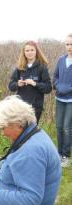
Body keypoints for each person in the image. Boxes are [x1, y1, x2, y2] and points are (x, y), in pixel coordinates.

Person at [8, 41, 52, 123]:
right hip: (21, 106)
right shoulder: (20, 67)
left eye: (32, 50)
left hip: (35, 107)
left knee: (31, 131)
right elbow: (11, 86)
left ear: (36, 51)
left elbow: (48, 88)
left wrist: (35, 84)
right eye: (27, 50)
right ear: (24, 52)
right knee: (21, 131)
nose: (30, 52)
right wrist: (18, 84)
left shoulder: (42, 67)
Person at [53, 33, 72, 168]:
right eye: (67, 44)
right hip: (59, 98)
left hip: (70, 100)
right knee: (59, 126)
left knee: (67, 127)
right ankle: (59, 153)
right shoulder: (61, 60)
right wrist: (58, 86)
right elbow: (55, 77)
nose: (69, 47)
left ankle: (66, 155)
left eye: (71, 44)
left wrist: (66, 88)